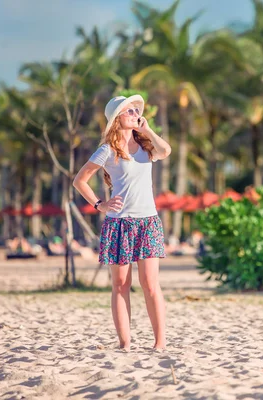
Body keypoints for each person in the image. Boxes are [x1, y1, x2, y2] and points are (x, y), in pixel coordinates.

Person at [73, 95, 172, 351]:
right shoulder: (107, 149)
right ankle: (125, 343)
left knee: (150, 284)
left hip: (147, 221)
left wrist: (147, 128)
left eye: (136, 109)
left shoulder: (146, 144)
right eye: (129, 110)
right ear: (117, 117)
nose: (135, 112)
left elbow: (166, 151)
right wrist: (99, 205)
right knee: (120, 285)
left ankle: (159, 343)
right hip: (119, 224)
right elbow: (80, 180)